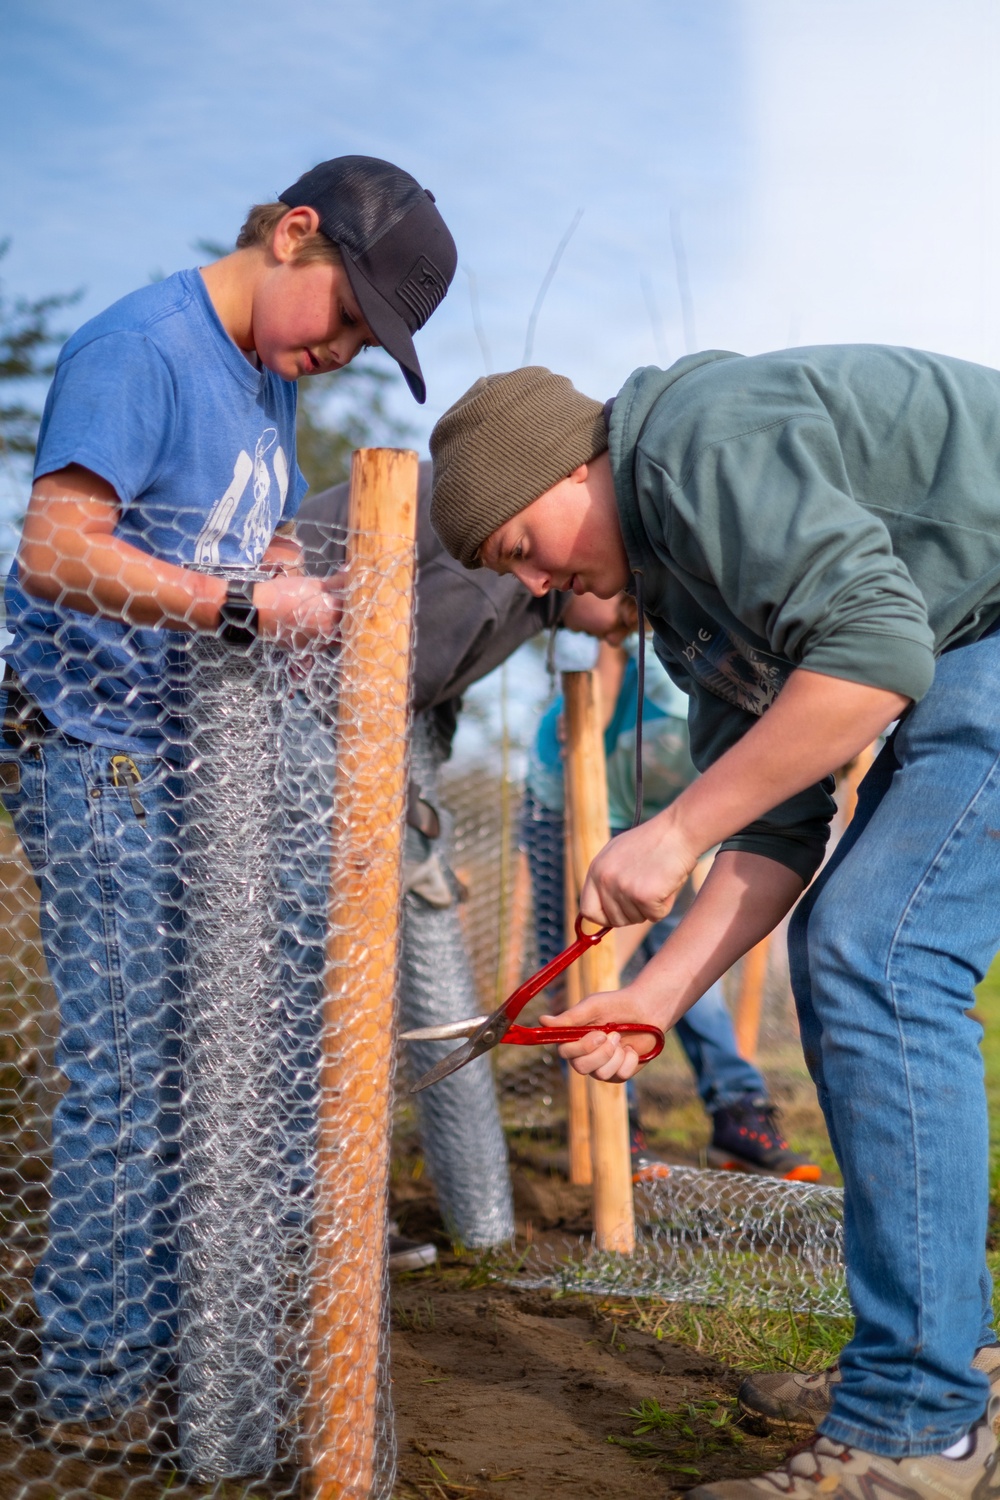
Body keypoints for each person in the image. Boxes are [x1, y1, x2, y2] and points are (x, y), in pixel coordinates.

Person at [428, 353, 1000, 1500]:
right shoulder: (694, 612)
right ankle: (943, 1362)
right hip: (968, 636)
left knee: (878, 953)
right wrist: (656, 996)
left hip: (972, 635)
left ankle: (917, 1430)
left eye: (522, 549)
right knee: (849, 943)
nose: (536, 588)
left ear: (570, 468)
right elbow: (777, 831)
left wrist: (672, 829)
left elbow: (876, 655)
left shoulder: (697, 437)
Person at [0, 155, 456, 1453]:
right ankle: (91, 1386)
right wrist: (248, 607)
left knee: (215, 1065)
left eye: (373, 338)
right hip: (103, 756)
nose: (347, 350)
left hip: (196, 755)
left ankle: (171, 1351)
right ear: (293, 234)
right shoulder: (139, 347)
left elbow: (231, 538)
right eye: (351, 317)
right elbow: (56, 548)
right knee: (136, 1076)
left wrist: (286, 585)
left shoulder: (264, 375)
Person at [291, 462, 634, 1255]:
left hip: (356, 744)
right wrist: (406, 827)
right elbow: (378, 690)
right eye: (625, 612)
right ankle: (318, 1237)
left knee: (381, 1001)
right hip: (301, 735)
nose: (620, 630)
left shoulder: (528, 589)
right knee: (318, 999)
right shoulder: (495, 583)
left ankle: (430, 1235)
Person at [522, 630, 819, 1181]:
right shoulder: (694, 677)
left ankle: (738, 1115)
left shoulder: (766, 761)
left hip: (675, 824)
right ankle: (616, 1128)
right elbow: (613, 634)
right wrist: (595, 963)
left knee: (687, 971)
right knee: (591, 984)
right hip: (573, 804)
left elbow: (678, 882)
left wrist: (640, 971)